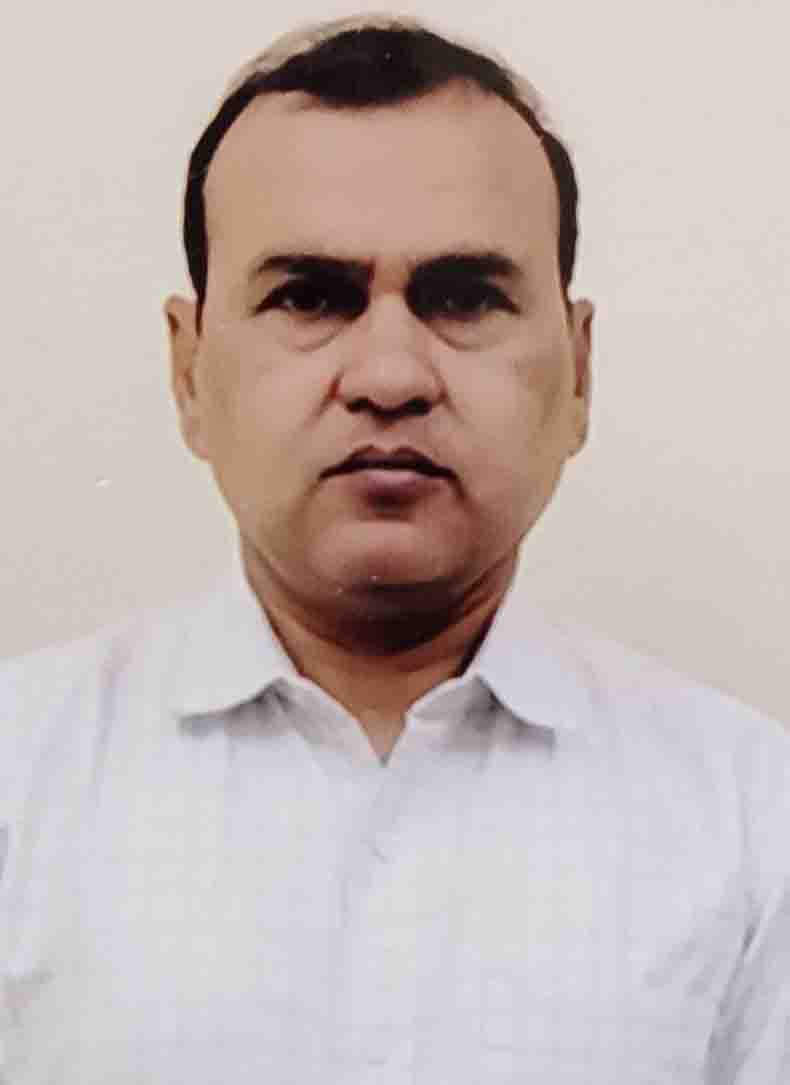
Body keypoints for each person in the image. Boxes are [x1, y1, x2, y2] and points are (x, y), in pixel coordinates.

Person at [1, 13, 788, 1083]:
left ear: (579, 372)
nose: (389, 375)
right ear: (189, 373)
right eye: (308, 296)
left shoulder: (753, 820)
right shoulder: (20, 783)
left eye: (463, 298)